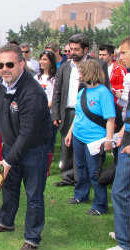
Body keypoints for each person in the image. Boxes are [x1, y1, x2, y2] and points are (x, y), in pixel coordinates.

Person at [0, 44, 51, 250]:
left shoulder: (33, 92)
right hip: (10, 145)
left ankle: (32, 239)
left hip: (34, 150)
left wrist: (8, 161)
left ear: (22, 64)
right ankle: (5, 222)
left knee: (34, 195)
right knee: (9, 188)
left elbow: (27, 133)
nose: (5, 69)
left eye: (9, 64)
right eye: (1, 65)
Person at [51, 33, 111, 187]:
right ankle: (68, 177)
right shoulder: (65, 66)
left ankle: (86, 178)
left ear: (85, 50)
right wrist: (56, 113)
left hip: (90, 114)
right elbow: (57, 91)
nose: (72, 52)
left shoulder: (98, 65)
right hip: (68, 111)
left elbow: (106, 89)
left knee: (87, 148)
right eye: (70, 49)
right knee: (67, 145)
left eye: (76, 49)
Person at [64, 59, 115, 216]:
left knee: (95, 172)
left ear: (89, 72)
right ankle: (81, 195)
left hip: (95, 140)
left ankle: (100, 205)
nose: (79, 75)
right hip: (79, 136)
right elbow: (78, 115)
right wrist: (70, 132)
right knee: (79, 168)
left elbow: (110, 119)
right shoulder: (82, 92)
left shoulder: (103, 93)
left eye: (81, 72)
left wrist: (108, 139)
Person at [108, 36, 130, 250]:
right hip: (127, 137)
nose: (119, 57)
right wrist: (123, 130)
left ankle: (125, 243)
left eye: (123, 53)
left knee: (119, 191)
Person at [34, 50, 57, 176]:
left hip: (49, 115)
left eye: (45, 59)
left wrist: (43, 108)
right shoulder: (36, 78)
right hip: (36, 115)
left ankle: (46, 167)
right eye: (41, 59)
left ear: (51, 62)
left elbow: (54, 98)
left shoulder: (55, 79)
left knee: (48, 142)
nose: (42, 62)